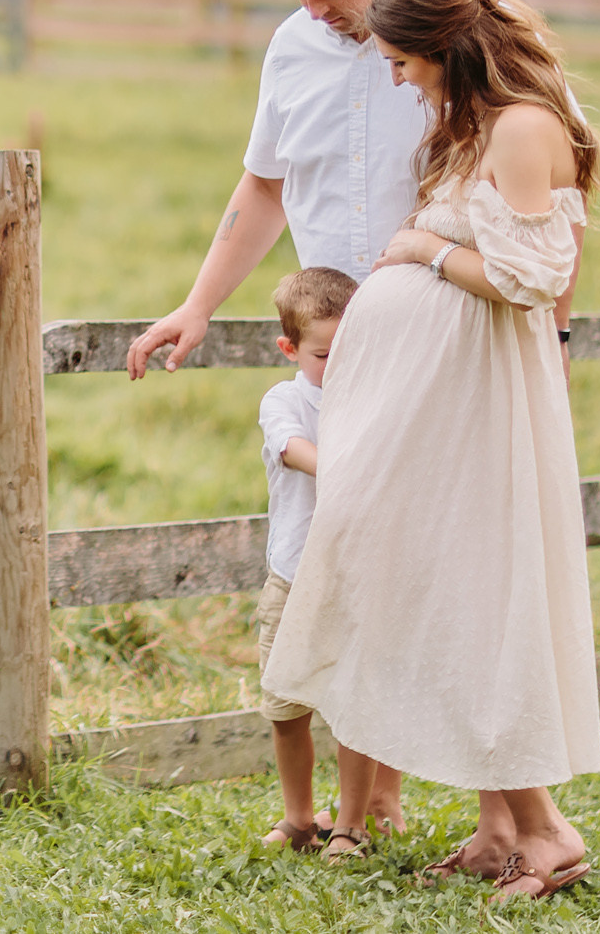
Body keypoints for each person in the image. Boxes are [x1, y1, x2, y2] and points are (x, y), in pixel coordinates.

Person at [259, 0, 600, 899]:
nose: (396, 74)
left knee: (463, 590)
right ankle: (505, 829)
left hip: (473, 400)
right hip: (439, 400)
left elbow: (530, 276)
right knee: (429, 587)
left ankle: (545, 831)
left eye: (404, 59)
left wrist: (420, 248)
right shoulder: (484, 125)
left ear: (445, 47)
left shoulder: (526, 125)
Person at [126, 0, 423, 839]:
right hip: (334, 345)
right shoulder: (292, 48)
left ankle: (394, 796)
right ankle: (358, 803)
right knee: (336, 564)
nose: (316, 11)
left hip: (428, 331)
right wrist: (197, 303)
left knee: (408, 569)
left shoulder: (447, 22)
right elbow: (263, 185)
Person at [253, 266, 356, 854]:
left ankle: (351, 822)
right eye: (322, 355)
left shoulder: (374, 397)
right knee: (286, 706)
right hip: (293, 578)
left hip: (356, 579)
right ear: (289, 349)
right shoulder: (285, 399)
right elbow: (292, 450)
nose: (337, 366)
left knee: (353, 707)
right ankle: (298, 817)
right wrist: (349, 466)